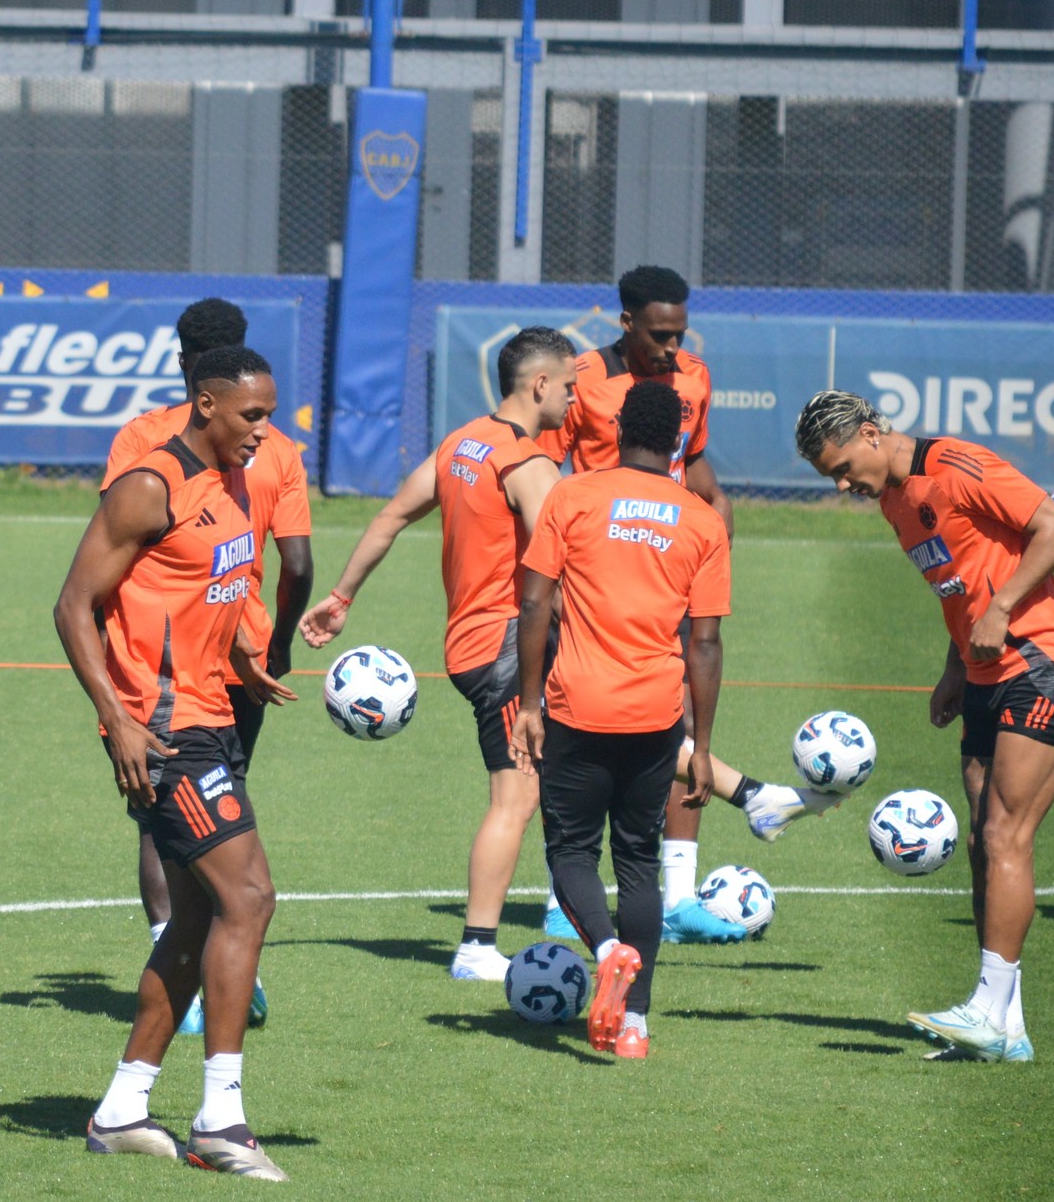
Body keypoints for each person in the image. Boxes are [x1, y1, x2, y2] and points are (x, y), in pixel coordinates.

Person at [539, 265, 842, 946]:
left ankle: (676, 896)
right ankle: (562, 901)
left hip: (667, 568)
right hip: (596, 574)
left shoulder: (694, 378)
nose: (671, 349)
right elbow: (544, 470)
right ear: (625, 324)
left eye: (679, 334)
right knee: (578, 730)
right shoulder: (583, 378)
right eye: (658, 335)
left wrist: (717, 501)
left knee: (665, 719)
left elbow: (692, 464)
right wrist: (554, 577)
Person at [796, 390, 1054, 1063]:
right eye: (830, 478)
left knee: (1003, 834)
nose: (843, 485)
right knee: (984, 848)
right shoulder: (893, 501)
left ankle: (987, 1010)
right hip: (986, 675)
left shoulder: (957, 464)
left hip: (1043, 661)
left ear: (872, 433)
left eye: (843, 467)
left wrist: (1005, 610)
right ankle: (1004, 1030)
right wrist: (956, 666)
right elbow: (959, 585)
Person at [57, 345, 295, 1180]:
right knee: (250, 897)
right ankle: (221, 1120)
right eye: (251, 416)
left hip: (215, 713)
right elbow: (73, 606)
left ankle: (122, 1110)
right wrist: (115, 716)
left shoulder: (234, 481)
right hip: (164, 735)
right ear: (206, 402)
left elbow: (204, 594)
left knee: (199, 918)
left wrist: (241, 659)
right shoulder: (148, 486)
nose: (263, 431)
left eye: (268, 414)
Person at [298, 326, 575, 982]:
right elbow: (557, 570)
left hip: (471, 646)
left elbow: (391, 516)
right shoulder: (528, 464)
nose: (573, 400)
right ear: (539, 384)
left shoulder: (462, 442)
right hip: (511, 648)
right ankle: (478, 946)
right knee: (516, 796)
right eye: (568, 386)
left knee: (602, 745)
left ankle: (752, 795)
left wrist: (342, 595)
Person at [104, 299, 313, 1032]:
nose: (257, 428)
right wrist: (276, 639)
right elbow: (295, 561)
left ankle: (186, 954)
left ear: (179, 352)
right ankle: (198, 980)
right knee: (227, 856)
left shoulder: (151, 435)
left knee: (170, 833)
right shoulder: (252, 452)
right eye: (251, 413)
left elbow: (148, 567)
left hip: (218, 663)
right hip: (169, 686)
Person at [510, 381, 731, 1060]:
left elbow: (535, 602)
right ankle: (635, 1025)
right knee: (639, 861)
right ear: (676, 441)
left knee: (571, 853)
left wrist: (528, 703)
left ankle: (606, 949)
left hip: (578, 705)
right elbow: (705, 643)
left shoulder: (573, 496)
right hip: (656, 714)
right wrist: (701, 744)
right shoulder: (701, 519)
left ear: (614, 431)